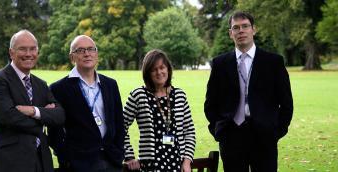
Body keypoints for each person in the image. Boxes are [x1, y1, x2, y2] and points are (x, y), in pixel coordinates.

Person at [204, 11, 294, 172]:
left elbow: (286, 103)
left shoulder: (273, 62)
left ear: (254, 29)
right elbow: (210, 103)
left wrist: (276, 132)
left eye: (245, 26)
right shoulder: (219, 64)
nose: (241, 31)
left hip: (265, 138)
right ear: (230, 33)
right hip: (231, 137)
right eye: (236, 27)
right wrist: (219, 130)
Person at [0, 29, 65, 172]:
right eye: (22, 49)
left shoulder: (41, 84)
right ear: (11, 53)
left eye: (33, 49)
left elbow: (59, 116)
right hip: (9, 160)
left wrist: (34, 111)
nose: (28, 54)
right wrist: (44, 118)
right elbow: (8, 117)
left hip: (41, 161)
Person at [48, 35, 125, 172]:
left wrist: (118, 151)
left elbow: (119, 122)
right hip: (79, 164)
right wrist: (66, 157)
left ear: (96, 54)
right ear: (72, 57)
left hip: (111, 161)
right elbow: (55, 132)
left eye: (91, 49)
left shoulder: (110, 84)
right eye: (81, 50)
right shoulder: (58, 88)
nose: (87, 54)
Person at [123, 49, 196, 172]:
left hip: (178, 165)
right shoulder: (139, 95)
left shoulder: (179, 95)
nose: (159, 72)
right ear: (147, 73)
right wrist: (129, 156)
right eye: (154, 69)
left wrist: (187, 161)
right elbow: (119, 126)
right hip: (151, 166)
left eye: (162, 67)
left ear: (168, 69)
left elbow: (189, 131)